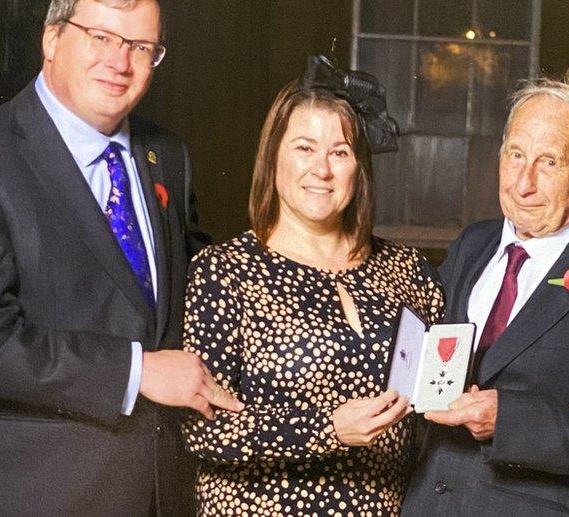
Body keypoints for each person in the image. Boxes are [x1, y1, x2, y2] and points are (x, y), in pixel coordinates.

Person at [0, 0, 241, 515]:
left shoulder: (168, 155)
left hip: (149, 490)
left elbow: (196, 290)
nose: (120, 61)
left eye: (141, 46)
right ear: (52, 38)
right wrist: (139, 370)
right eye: (101, 38)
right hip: (15, 493)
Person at [401, 73, 569, 517]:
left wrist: (506, 420)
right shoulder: (473, 244)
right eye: (515, 155)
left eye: (548, 162)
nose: (522, 183)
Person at [180, 55, 445, 515]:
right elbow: (202, 429)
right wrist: (327, 430)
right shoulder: (224, 271)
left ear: (359, 168)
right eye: (304, 147)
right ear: (273, 155)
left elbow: (439, 404)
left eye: (339, 152)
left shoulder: (409, 270)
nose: (321, 169)